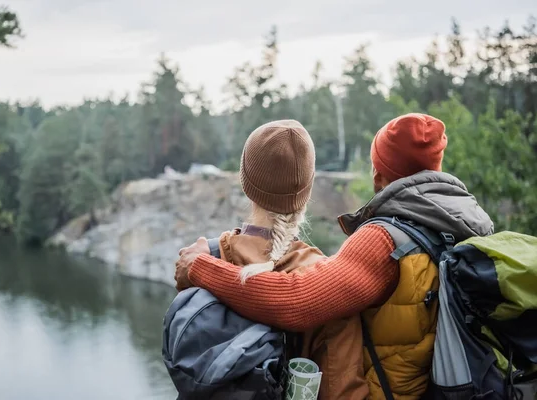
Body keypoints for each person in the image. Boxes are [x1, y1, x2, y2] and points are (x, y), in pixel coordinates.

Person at [175, 113, 495, 399]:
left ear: (378, 176)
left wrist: (200, 266)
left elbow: (297, 301)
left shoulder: (381, 241)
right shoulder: (468, 224)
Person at [199, 119, 369, 399]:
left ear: (246, 184)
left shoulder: (208, 258)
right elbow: (343, 390)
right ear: (306, 191)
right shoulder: (327, 281)